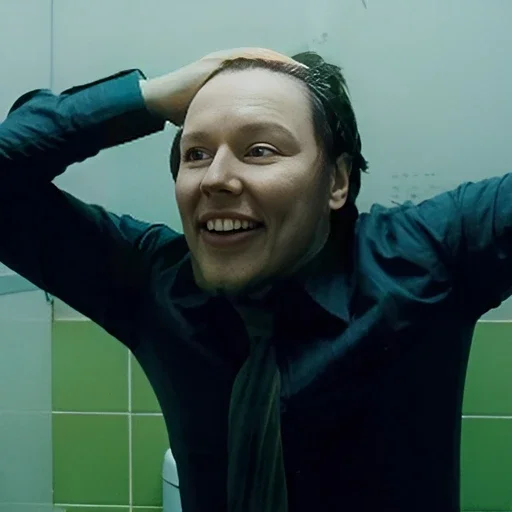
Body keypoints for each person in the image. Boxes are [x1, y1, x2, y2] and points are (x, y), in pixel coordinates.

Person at [0, 46, 510, 512]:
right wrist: (149, 96)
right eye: (196, 154)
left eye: (260, 150)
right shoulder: (154, 285)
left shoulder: (429, 258)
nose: (216, 178)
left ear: (336, 180)